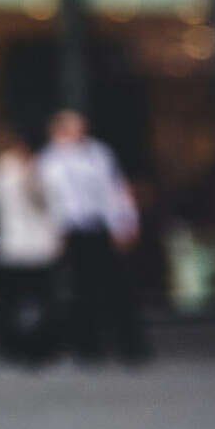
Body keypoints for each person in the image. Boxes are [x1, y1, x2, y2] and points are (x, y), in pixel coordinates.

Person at [38, 108, 150, 364]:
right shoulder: (51, 159)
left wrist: (124, 222)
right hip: (73, 231)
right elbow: (52, 198)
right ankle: (88, 347)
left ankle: (130, 345)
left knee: (118, 287)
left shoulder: (98, 153)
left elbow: (114, 190)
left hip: (100, 228)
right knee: (81, 290)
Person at [0, 131, 63, 365]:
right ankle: (27, 349)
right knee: (27, 300)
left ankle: (20, 348)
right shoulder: (13, 171)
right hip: (25, 245)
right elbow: (41, 201)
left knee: (19, 300)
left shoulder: (5, 169)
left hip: (24, 244)